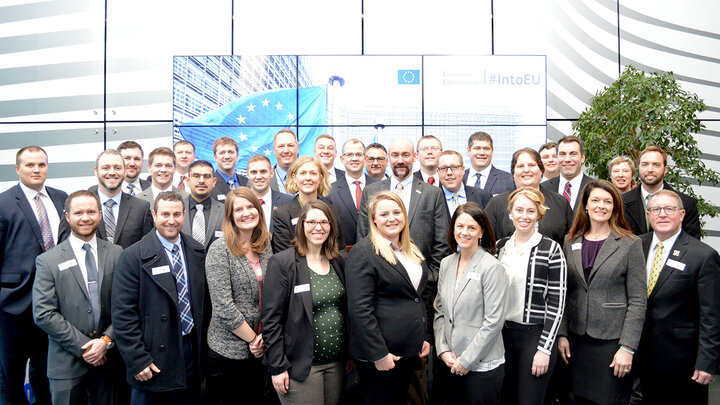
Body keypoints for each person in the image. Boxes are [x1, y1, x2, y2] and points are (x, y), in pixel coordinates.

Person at [112, 191, 206, 405]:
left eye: (176, 214)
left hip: (189, 350)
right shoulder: (132, 256)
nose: (171, 221)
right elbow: (123, 314)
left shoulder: (196, 250)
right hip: (152, 355)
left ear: (184, 215)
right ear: (154, 215)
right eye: (165, 214)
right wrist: (137, 360)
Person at [558, 180, 646, 405]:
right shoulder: (570, 240)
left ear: (615, 207)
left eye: (608, 201)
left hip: (611, 341)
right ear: (585, 205)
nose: (601, 206)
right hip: (576, 340)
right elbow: (565, 293)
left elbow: (637, 300)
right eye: (595, 200)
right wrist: (563, 334)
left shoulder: (629, 243)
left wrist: (627, 347)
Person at [33, 191, 124, 405]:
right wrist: (87, 347)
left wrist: (105, 341)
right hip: (66, 363)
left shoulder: (117, 253)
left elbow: (126, 305)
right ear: (67, 216)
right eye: (79, 212)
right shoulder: (48, 261)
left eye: (91, 212)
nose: (85, 218)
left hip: (109, 362)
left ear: (100, 214)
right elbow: (43, 313)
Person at [347, 191, 433, 405]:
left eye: (396, 212)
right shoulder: (364, 252)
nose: (392, 218)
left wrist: (424, 336)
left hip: (409, 352)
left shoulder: (410, 249)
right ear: (373, 219)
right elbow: (360, 309)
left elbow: (418, 296)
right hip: (382, 356)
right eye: (384, 214)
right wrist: (378, 354)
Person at [637, 190, 720, 404]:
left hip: (683, 363)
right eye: (656, 209)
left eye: (669, 209)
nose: (662, 214)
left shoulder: (703, 256)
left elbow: (711, 316)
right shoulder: (635, 246)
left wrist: (707, 362)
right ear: (648, 214)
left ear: (682, 214)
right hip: (640, 358)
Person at [262, 200, 347, 405]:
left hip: (335, 364)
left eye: (324, 222)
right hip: (299, 367)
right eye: (311, 222)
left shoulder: (339, 260)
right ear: (301, 226)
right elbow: (271, 320)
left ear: (331, 227)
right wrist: (278, 366)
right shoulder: (283, 263)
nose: (318, 227)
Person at [0, 145, 66, 405]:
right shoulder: (4, 203)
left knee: (46, 373)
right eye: (30, 165)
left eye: (41, 164)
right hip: (14, 304)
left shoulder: (62, 199)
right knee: (11, 376)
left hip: (53, 303)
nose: (37, 169)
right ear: (18, 169)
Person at [496, 188, 566, 405]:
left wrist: (544, 349)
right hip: (502, 336)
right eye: (519, 210)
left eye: (530, 211)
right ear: (510, 213)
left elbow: (557, 304)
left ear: (539, 214)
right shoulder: (500, 247)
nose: (524, 216)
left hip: (534, 337)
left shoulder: (551, 249)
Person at [434, 202, 508, 405]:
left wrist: (467, 360)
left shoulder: (492, 267)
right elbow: (440, 311)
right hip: (451, 362)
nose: (464, 232)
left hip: (482, 366)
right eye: (460, 226)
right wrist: (443, 350)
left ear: (481, 231)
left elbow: (493, 321)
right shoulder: (446, 263)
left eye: (471, 227)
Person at [204, 188, 273, 405]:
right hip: (229, 351)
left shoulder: (265, 245)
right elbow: (223, 305)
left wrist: (262, 338)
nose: (246, 213)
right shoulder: (219, 250)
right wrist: (252, 340)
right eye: (239, 209)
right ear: (230, 216)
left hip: (262, 347)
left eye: (251, 207)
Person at [59, 149, 154, 249]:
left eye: (117, 168)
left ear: (125, 171)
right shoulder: (76, 205)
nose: (112, 172)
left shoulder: (141, 208)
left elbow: (148, 248)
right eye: (106, 168)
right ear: (96, 171)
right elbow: (63, 248)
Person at [485, 148, 573, 245]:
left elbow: (571, 240)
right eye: (520, 166)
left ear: (541, 170)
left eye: (531, 165)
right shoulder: (496, 203)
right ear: (513, 172)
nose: (526, 170)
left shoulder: (560, 203)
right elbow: (486, 242)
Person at [621, 145, 701, 239]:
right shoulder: (621, 202)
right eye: (645, 164)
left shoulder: (686, 203)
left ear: (665, 169)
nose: (650, 170)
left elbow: (692, 243)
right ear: (639, 168)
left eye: (656, 165)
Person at [271, 156, 344, 253]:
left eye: (313, 173)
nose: (308, 178)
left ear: (320, 178)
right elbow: (284, 256)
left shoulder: (333, 211)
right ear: (294, 178)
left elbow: (341, 250)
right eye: (303, 173)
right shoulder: (282, 215)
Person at [327, 139, 378, 248]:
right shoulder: (330, 191)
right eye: (349, 154)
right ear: (342, 159)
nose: (354, 158)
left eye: (359, 154)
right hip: (342, 255)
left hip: (377, 252)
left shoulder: (380, 187)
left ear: (365, 158)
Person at [542, 136, 595, 211]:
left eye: (573, 154)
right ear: (557, 158)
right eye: (562, 154)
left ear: (582, 158)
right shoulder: (543, 189)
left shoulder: (595, 187)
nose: (567, 159)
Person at [181, 160, 225, 251]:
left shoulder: (225, 211)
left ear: (214, 182)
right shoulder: (176, 210)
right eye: (196, 176)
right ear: (187, 180)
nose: (201, 181)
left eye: (207, 176)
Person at [437, 151, 492, 219]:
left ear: (463, 170)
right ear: (438, 172)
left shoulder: (483, 197)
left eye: (454, 167)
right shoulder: (431, 199)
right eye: (444, 168)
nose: (449, 173)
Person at [246, 155, 293, 233]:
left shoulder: (288, 202)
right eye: (254, 172)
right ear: (248, 175)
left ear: (271, 173)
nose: (258, 176)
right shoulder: (240, 203)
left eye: (263, 172)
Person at [463, 131, 514, 196]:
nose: (482, 153)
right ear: (468, 151)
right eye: (477, 148)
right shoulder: (459, 178)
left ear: (492, 151)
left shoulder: (508, 180)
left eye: (486, 149)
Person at [210, 137, 248, 201]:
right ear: (215, 157)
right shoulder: (210, 184)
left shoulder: (247, 183)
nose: (227, 157)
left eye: (231, 152)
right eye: (222, 153)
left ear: (237, 156)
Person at [270, 129, 300, 194]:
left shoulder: (310, 177)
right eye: (281, 146)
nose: (286, 151)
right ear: (274, 150)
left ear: (297, 148)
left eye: (290, 146)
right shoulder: (266, 179)